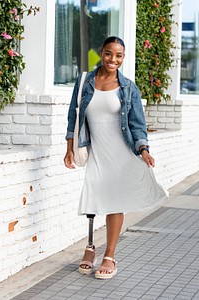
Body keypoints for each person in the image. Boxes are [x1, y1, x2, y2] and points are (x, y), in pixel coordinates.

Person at [64, 36, 168, 279]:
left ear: (123, 57)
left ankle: (109, 255)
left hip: (121, 153)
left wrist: (144, 150)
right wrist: (69, 148)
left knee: (114, 201)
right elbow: (73, 118)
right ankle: (90, 248)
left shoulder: (129, 87)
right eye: (109, 53)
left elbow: (138, 125)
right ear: (102, 53)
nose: (113, 59)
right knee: (92, 195)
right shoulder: (84, 82)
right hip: (95, 150)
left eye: (119, 55)